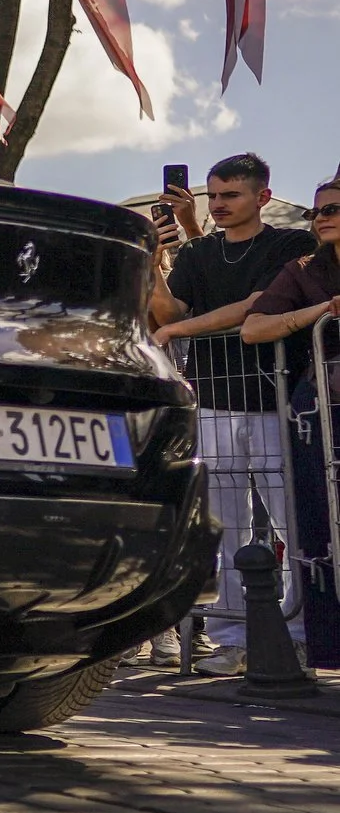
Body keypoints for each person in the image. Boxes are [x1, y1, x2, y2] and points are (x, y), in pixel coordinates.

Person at [152, 152, 316, 673]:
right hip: (215, 402)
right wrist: (156, 265)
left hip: (273, 399)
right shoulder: (199, 253)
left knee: (294, 523)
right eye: (213, 195)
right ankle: (230, 638)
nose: (218, 205)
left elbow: (255, 304)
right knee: (223, 528)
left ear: (262, 197)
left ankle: (299, 632)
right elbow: (168, 311)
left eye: (231, 195)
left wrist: (179, 329)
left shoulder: (289, 244)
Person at [242, 172, 340, 668]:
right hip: (319, 406)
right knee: (318, 523)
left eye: (331, 210)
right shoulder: (303, 267)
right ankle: (328, 647)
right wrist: (323, 310)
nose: (320, 219)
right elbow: (254, 327)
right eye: (316, 211)